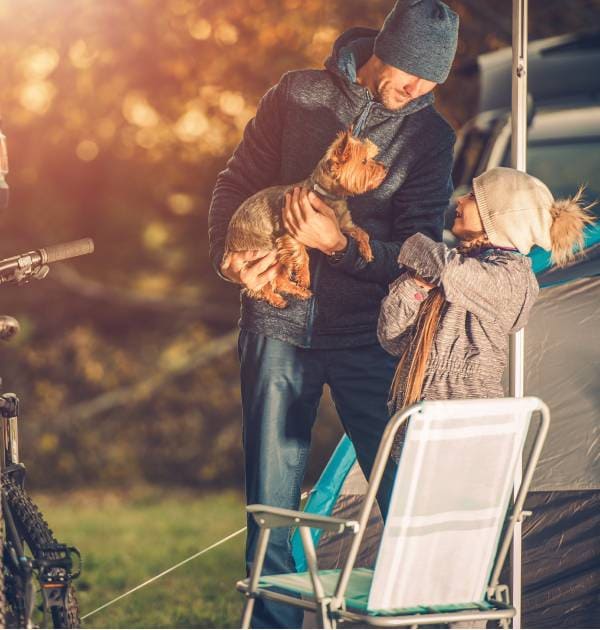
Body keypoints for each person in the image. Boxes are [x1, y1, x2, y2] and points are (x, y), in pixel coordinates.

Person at [208, 1, 459, 627]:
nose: (416, 91)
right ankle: (274, 623)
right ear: (384, 48)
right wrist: (230, 258)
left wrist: (336, 245)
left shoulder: (430, 138)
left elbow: (420, 252)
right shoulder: (298, 95)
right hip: (276, 329)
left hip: (371, 337)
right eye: (409, 75)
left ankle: (422, 616)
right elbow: (235, 182)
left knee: (404, 484)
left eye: (431, 83)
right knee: (271, 503)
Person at [378, 167, 595, 448]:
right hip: (417, 412)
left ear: (498, 215)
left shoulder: (512, 277)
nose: (459, 201)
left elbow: (449, 273)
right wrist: (416, 286)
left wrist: (412, 245)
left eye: (472, 196)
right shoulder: (456, 265)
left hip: (462, 417)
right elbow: (391, 337)